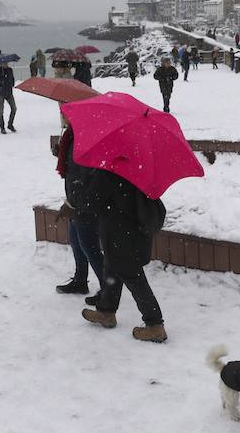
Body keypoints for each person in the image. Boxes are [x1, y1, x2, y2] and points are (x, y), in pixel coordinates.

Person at [78, 168, 168, 343]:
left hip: (119, 235)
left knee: (134, 278)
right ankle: (106, 311)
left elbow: (89, 202)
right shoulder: (140, 170)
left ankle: (155, 325)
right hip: (135, 233)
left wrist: (84, 184)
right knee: (111, 269)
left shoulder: (109, 173)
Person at [55, 122, 105, 299]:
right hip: (76, 200)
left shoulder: (84, 139)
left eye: (65, 112)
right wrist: (61, 153)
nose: (63, 115)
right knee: (77, 242)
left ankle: (108, 289)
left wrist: (71, 204)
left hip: (85, 203)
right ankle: (80, 280)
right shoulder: (71, 135)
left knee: (89, 247)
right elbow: (74, 169)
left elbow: (84, 176)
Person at [0, 62, 16, 134]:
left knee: (14, 108)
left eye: (6, 63)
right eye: (3, 63)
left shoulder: (10, 70)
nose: (5, 64)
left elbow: (12, 80)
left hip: (9, 92)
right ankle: (2, 127)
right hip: (0, 93)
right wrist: (1, 79)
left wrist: (10, 83)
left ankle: (10, 124)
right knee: (1, 111)